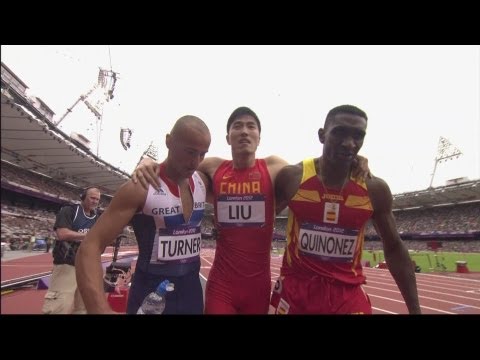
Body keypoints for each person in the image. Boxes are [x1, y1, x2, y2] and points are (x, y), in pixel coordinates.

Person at [133, 106, 371, 314]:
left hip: (257, 286)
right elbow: (175, 166)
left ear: (259, 136)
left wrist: (352, 160)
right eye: (237, 126)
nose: (244, 131)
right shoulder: (214, 168)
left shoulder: (275, 167)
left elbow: (315, 170)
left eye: (251, 126)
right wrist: (150, 164)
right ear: (228, 137)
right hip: (222, 284)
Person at [270, 104, 421, 314]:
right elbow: (262, 220)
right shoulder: (292, 178)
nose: (349, 143)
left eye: (358, 136)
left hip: (346, 297)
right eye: (339, 132)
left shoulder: (374, 189)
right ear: (322, 135)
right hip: (296, 295)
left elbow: (394, 247)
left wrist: (415, 309)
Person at [75, 115, 211, 314]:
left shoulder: (202, 181)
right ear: (168, 141)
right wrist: (99, 308)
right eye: (190, 152)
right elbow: (89, 246)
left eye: (202, 154)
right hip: (151, 297)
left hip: (192, 297)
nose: (195, 162)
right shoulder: (140, 188)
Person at [42, 186, 101, 314]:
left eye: (97, 199)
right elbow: (62, 233)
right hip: (67, 263)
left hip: (87, 266)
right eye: (92, 198)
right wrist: (90, 235)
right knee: (60, 304)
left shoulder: (96, 217)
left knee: (83, 307)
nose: (95, 201)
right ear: (83, 197)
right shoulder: (69, 211)